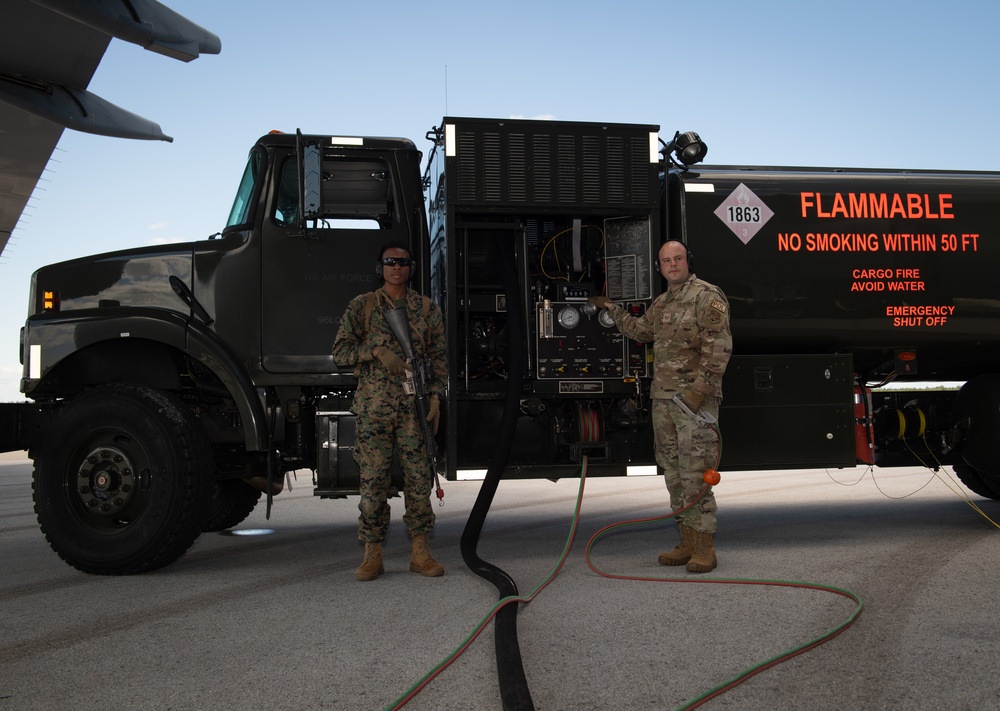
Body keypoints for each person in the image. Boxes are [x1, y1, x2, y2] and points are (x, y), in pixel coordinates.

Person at [589, 240, 732, 573]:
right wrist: (612, 308)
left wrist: (700, 390)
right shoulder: (663, 302)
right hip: (665, 402)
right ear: (660, 267)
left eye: (677, 258)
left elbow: (719, 347)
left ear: (688, 261)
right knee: (673, 472)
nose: (672, 265)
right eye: (666, 260)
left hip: (695, 402)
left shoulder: (707, 296)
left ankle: (704, 547)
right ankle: (686, 541)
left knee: (696, 473)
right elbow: (642, 332)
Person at [332, 241, 447, 581]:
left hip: (415, 408)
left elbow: (439, 356)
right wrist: (377, 350)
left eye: (403, 262)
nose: (396, 267)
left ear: (411, 268)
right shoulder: (363, 306)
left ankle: (420, 551)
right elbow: (340, 351)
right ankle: (372, 552)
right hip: (375, 409)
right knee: (373, 482)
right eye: (390, 261)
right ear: (380, 267)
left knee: (419, 481)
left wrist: (436, 395)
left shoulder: (426, 309)